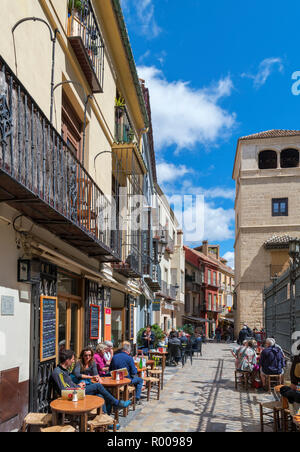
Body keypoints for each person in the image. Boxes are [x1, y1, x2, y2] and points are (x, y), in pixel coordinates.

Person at [51, 349, 131, 416]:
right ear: (67, 360)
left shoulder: (64, 370)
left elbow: (69, 384)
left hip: (76, 390)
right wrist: (78, 387)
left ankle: (105, 419)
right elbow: (64, 390)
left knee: (100, 395)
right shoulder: (58, 372)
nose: (73, 361)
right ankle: (116, 403)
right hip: (73, 395)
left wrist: (78, 385)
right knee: (97, 386)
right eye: (72, 359)